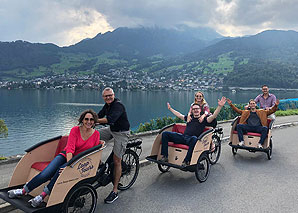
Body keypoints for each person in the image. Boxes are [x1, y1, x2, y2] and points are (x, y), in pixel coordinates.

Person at [7, 109, 100, 207]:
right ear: (82, 120)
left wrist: (70, 167)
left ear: (94, 121)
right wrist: (69, 165)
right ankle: (23, 191)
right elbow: (70, 150)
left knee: (60, 172)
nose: (89, 122)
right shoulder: (75, 130)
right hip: (66, 155)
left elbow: (92, 152)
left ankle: (42, 196)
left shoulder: (96, 134)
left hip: (78, 160)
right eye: (86, 119)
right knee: (46, 173)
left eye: (91, 119)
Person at [161, 97, 226, 167]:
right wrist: (170, 109)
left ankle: (186, 161)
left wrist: (219, 107)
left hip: (192, 140)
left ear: (200, 110)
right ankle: (165, 156)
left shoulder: (203, 119)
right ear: (191, 111)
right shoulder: (189, 118)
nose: (195, 110)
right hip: (183, 137)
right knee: (165, 134)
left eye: (197, 109)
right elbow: (179, 115)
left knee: (194, 138)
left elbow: (213, 116)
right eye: (194, 109)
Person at [97, 87, 130, 204]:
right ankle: (100, 164)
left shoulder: (118, 105)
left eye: (110, 95)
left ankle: (115, 191)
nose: (108, 97)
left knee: (117, 161)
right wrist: (88, 121)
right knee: (94, 136)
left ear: (114, 95)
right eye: (106, 96)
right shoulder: (107, 105)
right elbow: (99, 115)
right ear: (103, 97)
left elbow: (110, 119)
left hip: (121, 132)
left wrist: (93, 120)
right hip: (112, 130)